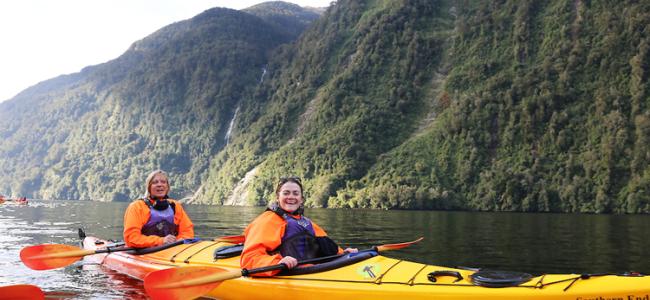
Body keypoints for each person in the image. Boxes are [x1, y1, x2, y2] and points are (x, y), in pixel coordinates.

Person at [241, 176, 357, 276]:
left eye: (295, 193)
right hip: (287, 273)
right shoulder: (268, 220)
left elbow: (327, 246)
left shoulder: (306, 222)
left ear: (301, 199)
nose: (291, 197)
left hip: (312, 271)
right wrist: (277, 262)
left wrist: (344, 253)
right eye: (286, 193)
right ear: (278, 197)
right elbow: (250, 259)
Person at [123, 170, 194, 248]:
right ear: (148, 187)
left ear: (167, 187)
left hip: (172, 248)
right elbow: (132, 238)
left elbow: (187, 231)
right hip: (145, 251)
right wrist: (161, 241)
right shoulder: (137, 207)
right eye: (155, 182)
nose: (160, 185)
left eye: (163, 182)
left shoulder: (175, 206)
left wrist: (180, 240)